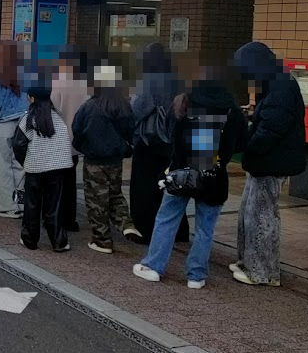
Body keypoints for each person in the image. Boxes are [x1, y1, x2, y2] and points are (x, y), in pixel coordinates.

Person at [134, 70, 248, 289]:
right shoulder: (232, 111)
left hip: (182, 174)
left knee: (167, 218)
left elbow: (172, 138)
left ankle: (154, 266)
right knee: (205, 228)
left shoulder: (184, 102)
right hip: (214, 177)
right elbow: (241, 144)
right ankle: (196, 275)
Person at [231, 41, 306, 287]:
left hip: (272, 162)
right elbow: (269, 119)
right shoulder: (274, 82)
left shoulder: (281, 86)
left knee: (262, 217)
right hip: (266, 160)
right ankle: (248, 262)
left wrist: (247, 146)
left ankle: (262, 272)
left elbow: (271, 129)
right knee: (249, 213)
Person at [73, 64, 139, 254]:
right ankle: (126, 223)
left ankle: (102, 240)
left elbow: (77, 130)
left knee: (96, 199)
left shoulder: (89, 106)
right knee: (115, 193)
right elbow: (130, 130)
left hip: (94, 159)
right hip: (115, 159)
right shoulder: (123, 105)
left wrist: (82, 147)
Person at [130, 42, 186, 245]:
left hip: (149, 142)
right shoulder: (178, 79)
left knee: (145, 187)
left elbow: (137, 110)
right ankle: (179, 230)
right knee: (171, 185)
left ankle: (145, 228)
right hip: (173, 142)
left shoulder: (149, 81)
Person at [17, 82, 73, 252]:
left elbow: (18, 144)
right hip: (58, 168)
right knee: (54, 205)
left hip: (35, 167)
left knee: (32, 204)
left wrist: (24, 161)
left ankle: (30, 239)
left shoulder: (28, 119)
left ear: (32, 98)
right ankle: (59, 241)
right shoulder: (58, 117)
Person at [0, 45, 28, 218]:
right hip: (22, 123)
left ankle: (8, 206)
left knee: (1, 166)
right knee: (19, 166)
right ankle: (21, 202)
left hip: (2, 124)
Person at [52, 51, 90, 232]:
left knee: (55, 181)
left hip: (59, 139)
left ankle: (56, 216)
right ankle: (70, 219)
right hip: (75, 141)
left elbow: (53, 109)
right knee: (70, 181)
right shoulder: (84, 84)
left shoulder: (57, 82)